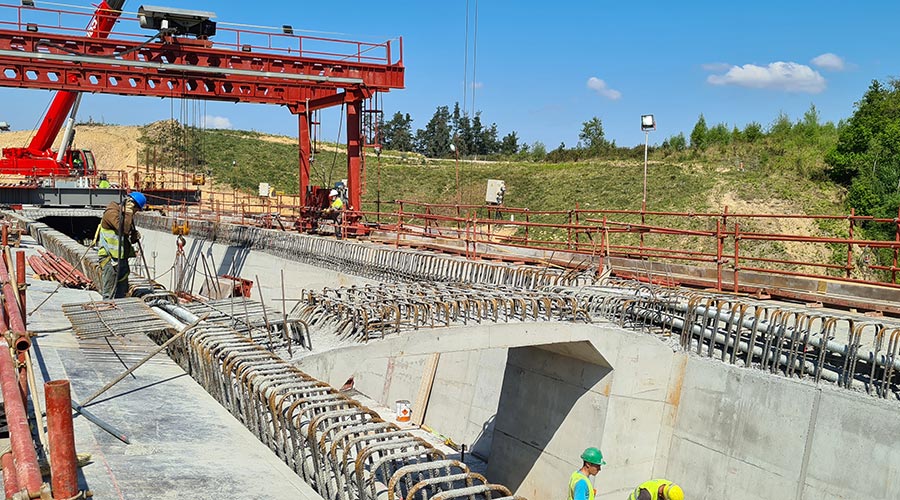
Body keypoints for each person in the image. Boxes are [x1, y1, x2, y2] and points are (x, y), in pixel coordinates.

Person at [94, 192, 147, 299]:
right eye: (135, 209)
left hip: (121, 259)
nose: (135, 212)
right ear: (130, 204)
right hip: (109, 259)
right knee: (109, 293)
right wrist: (128, 213)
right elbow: (123, 229)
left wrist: (133, 236)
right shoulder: (111, 213)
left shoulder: (126, 215)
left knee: (122, 292)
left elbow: (126, 235)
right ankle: (108, 312)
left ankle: (120, 310)